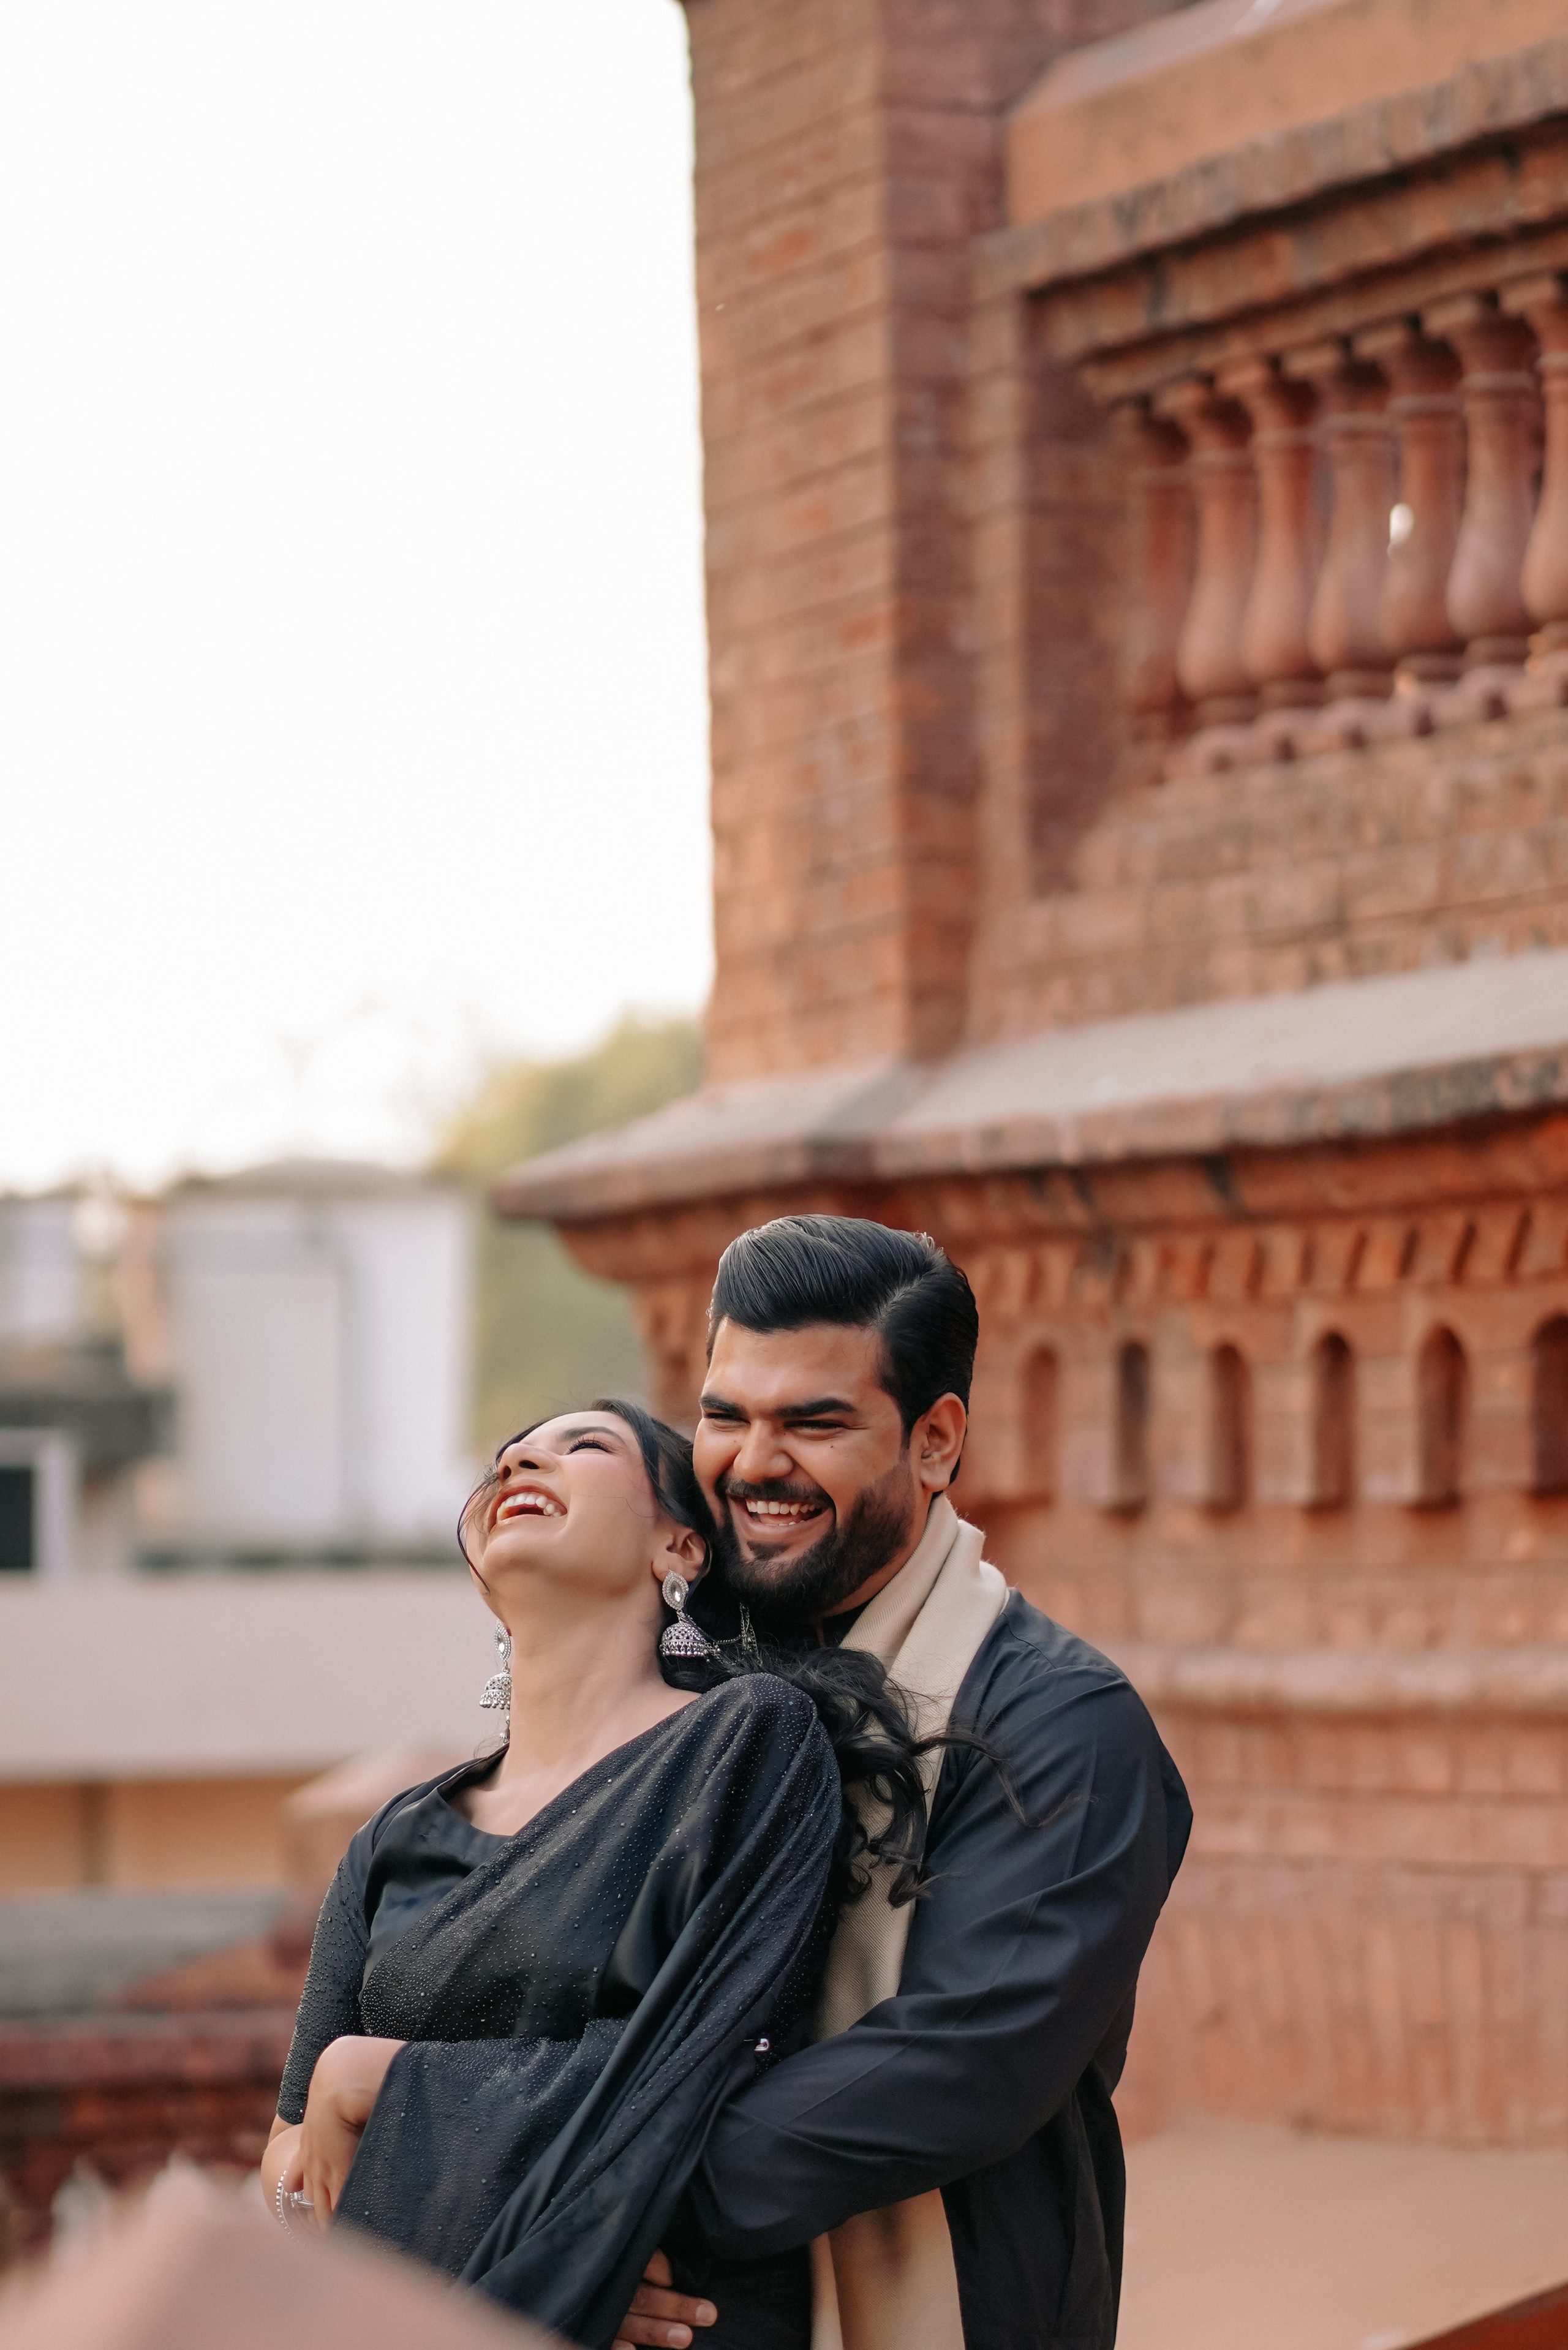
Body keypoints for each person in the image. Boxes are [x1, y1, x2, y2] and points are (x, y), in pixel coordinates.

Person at [614, 1215, 1193, 2350]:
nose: (754, 1462)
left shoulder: (1059, 1723)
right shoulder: (660, 1665)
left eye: (814, 1422)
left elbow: (959, 2063)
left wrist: (594, 2207)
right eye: (726, 1416)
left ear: (935, 1441)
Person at [260, 1396, 943, 2350]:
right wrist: (533, 2260)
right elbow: (289, 2154)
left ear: (680, 1546)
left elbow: (698, 2059)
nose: (520, 1465)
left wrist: (382, 2077)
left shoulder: (747, 1743)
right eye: (506, 1458)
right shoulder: (392, 1840)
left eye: (582, 1445)